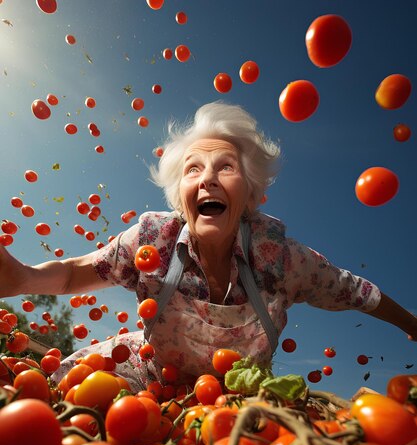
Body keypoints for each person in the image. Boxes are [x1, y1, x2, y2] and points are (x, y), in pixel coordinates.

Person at [0, 102, 416, 392]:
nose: (208, 179)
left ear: (249, 193)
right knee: (64, 395)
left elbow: (354, 291)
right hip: (146, 383)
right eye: (193, 169)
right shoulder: (152, 240)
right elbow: (76, 272)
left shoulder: (280, 258)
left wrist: (412, 325)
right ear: (181, 194)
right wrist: (23, 278)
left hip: (233, 405)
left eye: (226, 167)